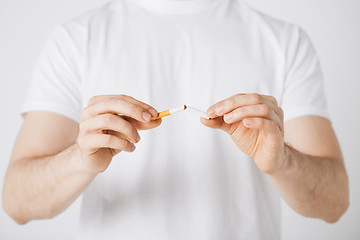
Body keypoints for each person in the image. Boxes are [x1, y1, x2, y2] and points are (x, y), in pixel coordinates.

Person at [2, 0, 349, 239]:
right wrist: (80, 160)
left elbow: (335, 203)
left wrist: (282, 161)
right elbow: (17, 203)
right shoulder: (76, 39)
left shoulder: (285, 42)